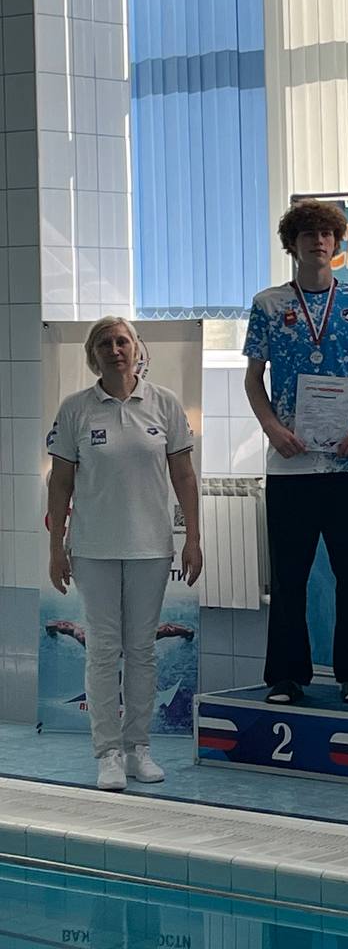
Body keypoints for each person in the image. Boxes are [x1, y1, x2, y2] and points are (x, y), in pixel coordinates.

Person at [46, 316, 202, 790]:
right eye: (105, 344)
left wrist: (193, 538)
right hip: (92, 548)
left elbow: (184, 477)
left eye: (122, 342)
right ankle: (108, 754)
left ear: (136, 349)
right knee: (101, 651)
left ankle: (139, 748)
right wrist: (56, 549)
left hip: (150, 548)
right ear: (93, 355)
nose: (115, 350)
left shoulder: (165, 404)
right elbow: (60, 484)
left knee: (141, 652)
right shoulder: (76, 409)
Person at [244, 198, 348, 705]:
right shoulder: (268, 304)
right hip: (291, 465)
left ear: (337, 243)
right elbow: (253, 379)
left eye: (326, 234)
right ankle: (286, 676)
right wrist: (271, 429)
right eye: (308, 234)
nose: (318, 242)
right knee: (289, 577)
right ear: (293, 244)